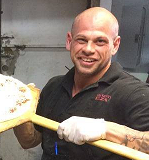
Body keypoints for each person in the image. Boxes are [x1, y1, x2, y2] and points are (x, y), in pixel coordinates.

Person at [13, 7, 149, 160]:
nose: (88, 49)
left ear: (115, 45)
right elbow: (30, 141)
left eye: (100, 41)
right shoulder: (54, 86)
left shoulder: (134, 93)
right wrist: (17, 108)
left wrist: (105, 129)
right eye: (82, 40)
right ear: (69, 41)